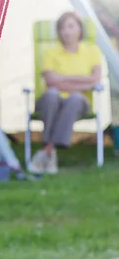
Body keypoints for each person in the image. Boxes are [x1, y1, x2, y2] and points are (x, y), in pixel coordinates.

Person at [29, 11, 103, 174]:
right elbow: (50, 81)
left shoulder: (92, 51)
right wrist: (82, 80)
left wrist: (62, 79)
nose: (66, 31)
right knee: (51, 95)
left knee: (74, 98)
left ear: (80, 29)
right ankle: (50, 153)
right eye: (62, 28)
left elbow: (96, 79)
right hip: (51, 101)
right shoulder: (50, 52)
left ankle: (47, 151)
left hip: (79, 103)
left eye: (70, 26)